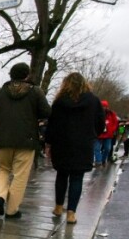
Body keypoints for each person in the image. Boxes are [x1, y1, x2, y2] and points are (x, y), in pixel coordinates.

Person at [0, 62, 51, 219]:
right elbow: (46, 112)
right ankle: (12, 210)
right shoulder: (35, 92)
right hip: (26, 140)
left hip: (3, 139)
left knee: (3, 169)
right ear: (27, 75)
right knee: (20, 175)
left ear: (11, 74)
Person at [44, 72, 105, 225]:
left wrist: (49, 143)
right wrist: (92, 134)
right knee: (77, 178)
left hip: (62, 143)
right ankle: (71, 212)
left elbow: (52, 124)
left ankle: (58, 206)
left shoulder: (59, 102)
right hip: (83, 144)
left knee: (62, 175)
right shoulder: (93, 101)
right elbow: (100, 123)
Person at [94, 100, 119, 166]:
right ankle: (98, 161)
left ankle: (103, 159)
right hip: (98, 134)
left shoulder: (111, 114)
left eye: (104, 106)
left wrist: (112, 130)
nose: (103, 108)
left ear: (107, 107)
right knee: (96, 148)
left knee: (107, 148)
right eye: (102, 106)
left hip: (108, 135)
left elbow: (115, 123)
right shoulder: (95, 114)